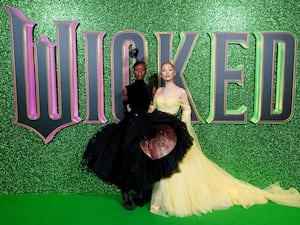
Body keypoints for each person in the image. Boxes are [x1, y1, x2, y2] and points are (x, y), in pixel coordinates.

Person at [148, 62, 300, 217]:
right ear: (161, 74)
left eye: (170, 70)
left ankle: (158, 202)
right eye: (164, 70)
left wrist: (184, 125)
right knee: (161, 163)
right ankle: (162, 200)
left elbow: (186, 108)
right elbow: (152, 108)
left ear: (174, 73)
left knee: (169, 164)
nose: (167, 73)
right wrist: (147, 121)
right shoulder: (159, 91)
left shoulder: (180, 92)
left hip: (173, 132)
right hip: (157, 133)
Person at [81, 60, 193, 211]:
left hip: (147, 124)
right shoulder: (129, 89)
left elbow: (151, 108)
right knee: (125, 156)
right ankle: (126, 193)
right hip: (131, 125)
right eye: (137, 70)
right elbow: (127, 108)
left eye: (142, 70)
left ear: (145, 72)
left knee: (143, 157)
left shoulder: (153, 89)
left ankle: (140, 191)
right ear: (133, 72)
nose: (139, 72)